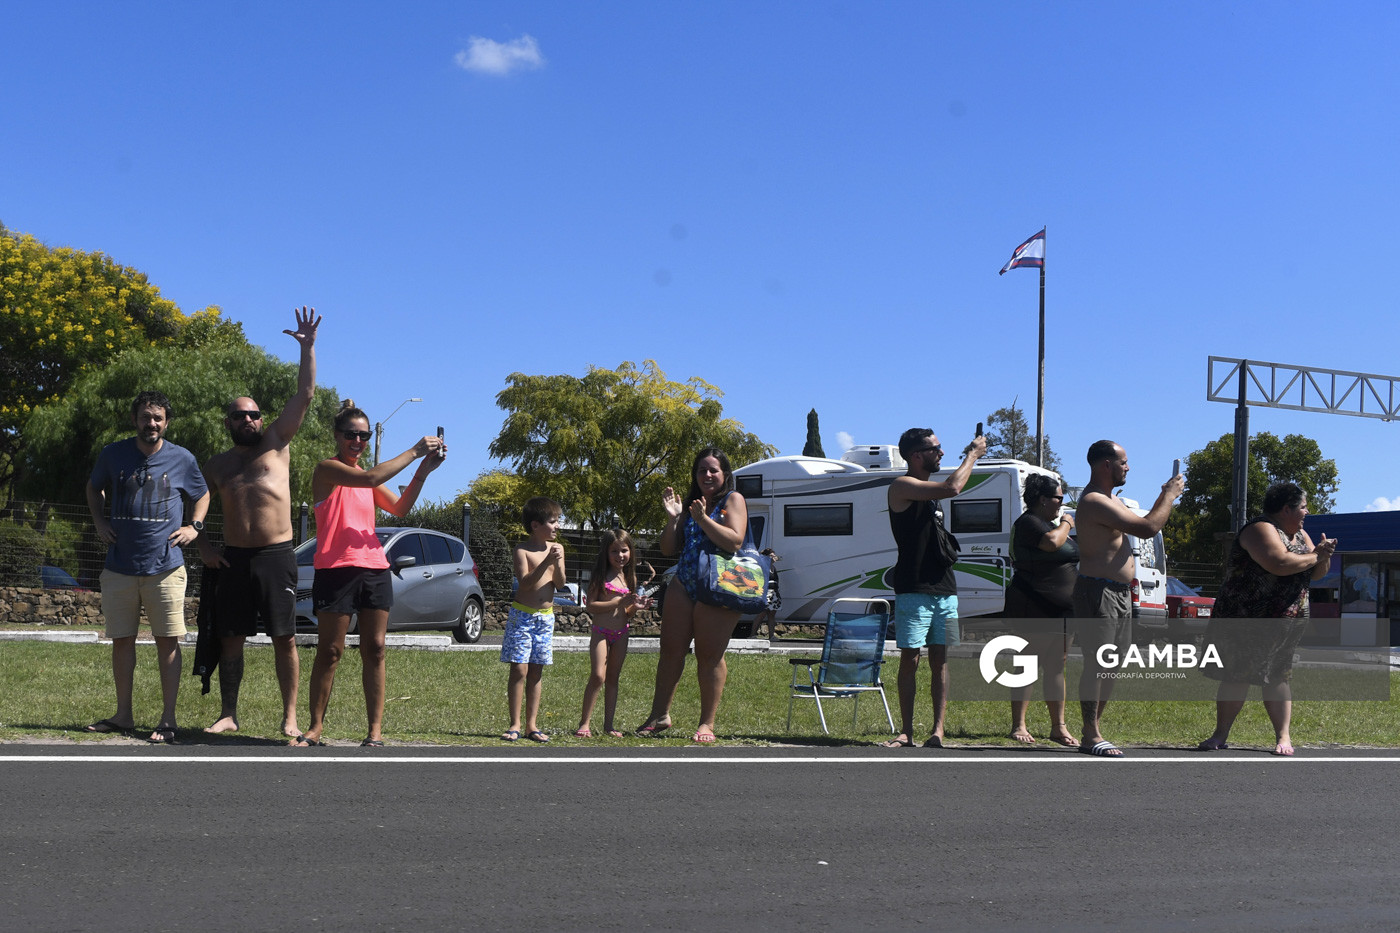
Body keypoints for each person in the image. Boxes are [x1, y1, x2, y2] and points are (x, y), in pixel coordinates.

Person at [291, 401, 446, 748]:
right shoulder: (327, 470)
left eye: (364, 435)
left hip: (375, 568)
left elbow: (400, 507)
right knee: (330, 650)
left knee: (375, 648)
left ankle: (374, 731)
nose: (358, 441)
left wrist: (423, 469)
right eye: (352, 435)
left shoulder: (366, 478)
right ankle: (315, 727)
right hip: (335, 570)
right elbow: (371, 477)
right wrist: (415, 449)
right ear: (337, 436)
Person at [196, 307, 319, 736]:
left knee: (284, 637)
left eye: (253, 414)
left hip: (275, 556)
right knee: (231, 638)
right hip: (232, 560)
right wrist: (204, 546)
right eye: (238, 415)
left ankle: (290, 716)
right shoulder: (216, 465)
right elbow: (192, 510)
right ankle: (228, 713)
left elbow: (304, 396)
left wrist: (307, 348)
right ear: (228, 422)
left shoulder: (277, 444)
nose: (247, 420)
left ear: (262, 420)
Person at [84, 391, 210, 744]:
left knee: (166, 643)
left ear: (166, 422)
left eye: (157, 418)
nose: (151, 423)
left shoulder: (182, 459)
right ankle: (123, 715)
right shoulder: (113, 454)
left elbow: (202, 495)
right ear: (135, 419)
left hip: (166, 567)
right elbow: (93, 489)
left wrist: (193, 527)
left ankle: (167, 721)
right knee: (121, 642)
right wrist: (98, 523)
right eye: (145, 417)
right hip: (120, 566)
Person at [1197, 482, 1335, 757]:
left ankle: (1283, 737)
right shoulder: (1260, 529)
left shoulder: (1301, 536)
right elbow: (1279, 563)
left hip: (1287, 618)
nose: (1307, 512)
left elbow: (1316, 574)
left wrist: (1324, 556)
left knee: (1278, 675)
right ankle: (1220, 734)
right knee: (1236, 673)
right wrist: (1315, 555)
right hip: (1246, 617)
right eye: (1303, 507)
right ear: (1287, 508)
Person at [1072, 440, 1184, 757]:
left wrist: (1164, 494)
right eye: (1123, 461)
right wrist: (1170, 495)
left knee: (1113, 664)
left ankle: (1093, 729)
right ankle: (1090, 735)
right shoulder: (1095, 500)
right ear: (1105, 464)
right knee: (1099, 663)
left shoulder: (1111, 500)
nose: (1128, 467)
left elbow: (1144, 522)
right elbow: (1148, 527)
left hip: (1120, 593)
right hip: (1098, 591)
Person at [879, 427, 987, 749]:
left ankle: (938, 731)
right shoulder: (902, 486)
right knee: (910, 658)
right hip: (913, 587)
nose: (941, 453)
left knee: (941, 659)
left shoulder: (927, 493)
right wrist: (973, 455)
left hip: (945, 588)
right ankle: (906, 731)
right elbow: (953, 487)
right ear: (916, 455)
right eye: (935, 449)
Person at [637, 447, 749, 744]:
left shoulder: (733, 500)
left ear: (725, 474)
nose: (708, 475)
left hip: (718, 586)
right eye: (702, 470)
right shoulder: (691, 504)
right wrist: (675, 518)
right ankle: (659, 715)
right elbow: (666, 549)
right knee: (670, 651)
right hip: (684, 583)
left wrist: (703, 520)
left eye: (714, 470)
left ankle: (706, 724)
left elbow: (735, 541)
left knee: (708, 656)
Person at [1004, 473, 1079, 747]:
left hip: (1062, 609)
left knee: (1056, 667)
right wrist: (1067, 523)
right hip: (1033, 603)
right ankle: (1019, 724)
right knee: (1027, 663)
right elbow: (1052, 543)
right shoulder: (1029, 523)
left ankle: (1058, 726)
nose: (1062, 503)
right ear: (1043, 499)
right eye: (1059, 498)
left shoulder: (1048, 523)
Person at [574, 529, 653, 739]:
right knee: (598, 675)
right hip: (601, 632)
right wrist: (618, 601)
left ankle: (609, 725)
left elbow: (626, 614)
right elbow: (591, 605)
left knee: (613, 678)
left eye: (624, 551)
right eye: (614, 551)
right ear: (606, 553)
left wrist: (637, 607)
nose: (620, 556)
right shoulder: (601, 575)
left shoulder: (629, 578)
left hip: (621, 633)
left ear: (631, 552)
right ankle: (584, 723)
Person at [503, 496, 566, 743]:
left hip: (545, 618)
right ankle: (514, 724)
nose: (557, 526)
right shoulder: (522, 550)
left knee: (536, 671)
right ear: (535, 526)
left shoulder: (557, 550)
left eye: (558, 520)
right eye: (553, 521)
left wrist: (557, 562)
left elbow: (560, 583)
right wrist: (547, 562)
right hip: (523, 616)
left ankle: (532, 724)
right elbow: (526, 584)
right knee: (519, 668)